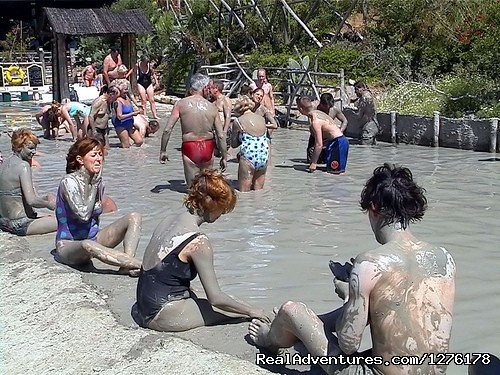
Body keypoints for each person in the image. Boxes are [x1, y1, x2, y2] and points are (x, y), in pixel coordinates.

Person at [248, 163, 456, 375]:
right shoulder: (444, 258)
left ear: (373, 208)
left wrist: (349, 295)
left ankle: (267, 339)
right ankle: (302, 329)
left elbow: (349, 343)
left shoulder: (369, 263)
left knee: (291, 310)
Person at [131, 169, 270, 331]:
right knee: (238, 314)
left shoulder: (167, 220)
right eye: (223, 208)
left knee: (212, 298)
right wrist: (252, 310)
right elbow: (216, 298)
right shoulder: (198, 242)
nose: (222, 214)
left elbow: (160, 273)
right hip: (163, 315)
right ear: (212, 204)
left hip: (141, 308)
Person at [55, 137, 142, 275]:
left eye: (100, 155)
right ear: (80, 159)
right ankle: (142, 266)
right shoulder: (69, 182)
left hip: (94, 239)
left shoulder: (99, 182)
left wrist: (95, 185)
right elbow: (83, 215)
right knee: (87, 244)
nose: (99, 159)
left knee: (134, 217)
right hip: (69, 245)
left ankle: (126, 265)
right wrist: (94, 186)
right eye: (93, 155)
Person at [159, 73, 227, 187]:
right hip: (208, 147)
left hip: (190, 146)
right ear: (204, 88)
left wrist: (163, 150)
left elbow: (167, 130)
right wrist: (224, 156)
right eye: (209, 88)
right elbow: (220, 135)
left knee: (192, 190)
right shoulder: (212, 107)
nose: (210, 91)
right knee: (207, 187)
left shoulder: (180, 104)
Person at [0, 129, 57, 236]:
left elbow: (14, 195)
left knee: (47, 216)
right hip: (20, 224)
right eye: (30, 148)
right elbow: (31, 201)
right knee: (66, 221)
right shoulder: (23, 166)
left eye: (35, 148)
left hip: (4, 222)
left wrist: (45, 198)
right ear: (18, 147)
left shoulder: (4, 165)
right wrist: (50, 204)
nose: (34, 152)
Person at [231, 96, 274, 192]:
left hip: (249, 156)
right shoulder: (261, 119)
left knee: (244, 193)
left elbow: (234, 144)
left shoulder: (238, 121)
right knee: (259, 192)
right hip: (263, 155)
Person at [297, 97, 349, 174]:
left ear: (301, 110)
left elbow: (319, 144)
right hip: (336, 142)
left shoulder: (315, 122)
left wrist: (314, 163)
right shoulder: (318, 113)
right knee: (329, 171)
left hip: (338, 143)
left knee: (335, 174)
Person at [307, 93, 348, 164]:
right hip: (315, 136)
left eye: (329, 107)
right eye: (326, 107)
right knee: (311, 158)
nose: (328, 109)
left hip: (329, 137)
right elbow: (311, 124)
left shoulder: (334, 109)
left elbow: (345, 121)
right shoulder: (314, 108)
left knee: (327, 161)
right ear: (321, 103)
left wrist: (340, 131)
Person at [112, 82, 143, 148]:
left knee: (139, 141)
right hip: (121, 124)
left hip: (130, 124)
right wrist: (132, 114)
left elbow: (130, 110)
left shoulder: (127, 98)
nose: (126, 91)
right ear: (120, 91)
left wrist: (137, 111)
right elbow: (119, 116)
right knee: (126, 147)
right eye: (125, 90)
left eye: (127, 89)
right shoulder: (118, 101)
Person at [351, 81, 379, 145]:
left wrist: (356, 115)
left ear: (361, 88)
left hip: (369, 127)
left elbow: (367, 115)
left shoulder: (365, 98)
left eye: (356, 90)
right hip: (372, 126)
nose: (355, 92)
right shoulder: (365, 97)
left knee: (364, 149)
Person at [135, 54, 159, 119]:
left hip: (148, 83)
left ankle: (155, 115)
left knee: (152, 100)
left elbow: (153, 73)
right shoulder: (137, 65)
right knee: (143, 100)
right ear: (142, 61)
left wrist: (156, 82)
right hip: (140, 83)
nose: (147, 63)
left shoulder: (149, 66)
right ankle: (144, 115)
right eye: (145, 62)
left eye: (147, 62)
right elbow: (132, 71)